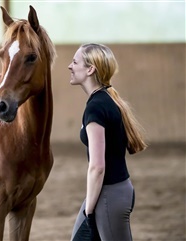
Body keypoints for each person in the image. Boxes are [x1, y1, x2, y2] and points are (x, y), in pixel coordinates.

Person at [68, 43, 147, 241]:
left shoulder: (96, 108)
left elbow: (97, 167)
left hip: (108, 196)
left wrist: (90, 210)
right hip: (109, 193)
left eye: (75, 62)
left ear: (90, 69)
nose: (70, 66)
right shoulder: (104, 100)